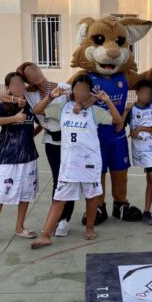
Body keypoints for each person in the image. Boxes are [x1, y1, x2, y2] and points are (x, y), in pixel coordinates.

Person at [30, 75, 122, 249]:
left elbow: (117, 121)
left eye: (85, 89)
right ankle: (45, 235)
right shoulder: (63, 108)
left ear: (90, 92)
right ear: (73, 90)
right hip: (69, 164)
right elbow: (37, 110)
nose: (81, 92)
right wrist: (51, 96)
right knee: (59, 198)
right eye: (78, 88)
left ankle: (89, 227)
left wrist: (108, 101)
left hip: (90, 162)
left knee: (92, 197)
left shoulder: (94, 111)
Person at [9, 62, 74, 237]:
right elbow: (7, 95)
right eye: (28, 73)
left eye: (34, 69)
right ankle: (58, 219)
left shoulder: (63, 87)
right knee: (57, 179)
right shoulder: (28, 94)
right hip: (51, 141)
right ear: (26, 79)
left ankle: (65, 220)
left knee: (69, 179)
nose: (33, 73)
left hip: (70, 141)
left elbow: (79, 103)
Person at [0, 72, 40, 248]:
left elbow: (40, 122)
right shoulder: (5, 105)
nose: (19, 87)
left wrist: (30, 136)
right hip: (9, 157)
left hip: (28, 157)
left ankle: (19, 227)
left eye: (21, 84)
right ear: (8, 88)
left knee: (26, 193)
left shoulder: (29, 105)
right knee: (1, 194)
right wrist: (14, 118)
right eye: (15, 84)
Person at [118, 80, 152, 226]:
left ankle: (146, 211)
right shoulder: (131, 110)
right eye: (144, 92)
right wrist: (125, 111)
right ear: (137, 93)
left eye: (149, 93)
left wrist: (141, 129)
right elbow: (119, 126)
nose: (147, 95)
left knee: (151, 181)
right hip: (142, 151)